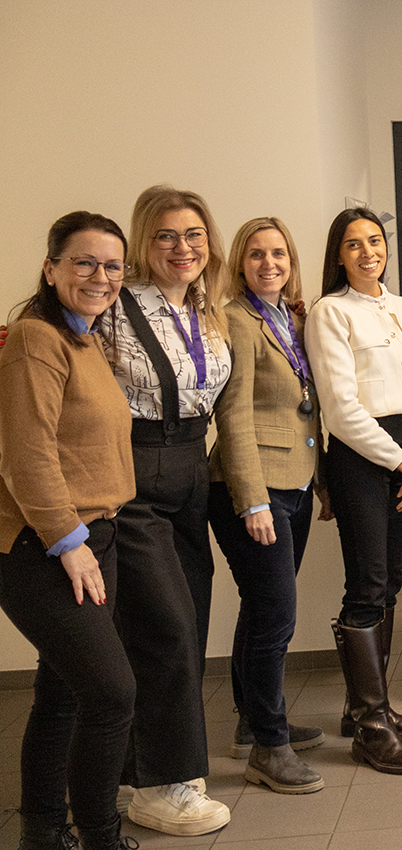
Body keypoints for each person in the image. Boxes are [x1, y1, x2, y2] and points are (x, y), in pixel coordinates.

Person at [0, 212, 137, 850]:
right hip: (45, 545)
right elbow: (26, 455)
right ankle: (100, 836)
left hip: (93, 536)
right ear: (51, 267)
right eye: (84, 262)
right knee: (111, 694)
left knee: (62, 692)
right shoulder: (36, 338)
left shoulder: (85, 339)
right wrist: (69, 543)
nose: (99, 276)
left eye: (112, 266)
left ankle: (44, 833)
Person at [108, 185, 233, 835]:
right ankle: (163, 786)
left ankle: (139, 771)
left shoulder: (208, 309)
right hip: (133, 472)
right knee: (166, 628)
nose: (182, 247)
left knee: (187, 619)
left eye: (193, 234)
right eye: (165, 235)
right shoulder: (115, 306)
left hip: (191, 470)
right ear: (143, 241)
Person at [305, 207, 402, 776]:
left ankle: (368, 706)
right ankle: (370, 726)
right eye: (354, 244)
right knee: (366, 585)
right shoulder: (330, 312)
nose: (368, 252)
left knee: (389, 582)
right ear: (339, 255)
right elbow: (340, 411)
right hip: (363, 459)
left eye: (375, 241)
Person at [207, 217, 327, 794]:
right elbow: (231, 415)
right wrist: (251, 500)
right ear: (240, 263)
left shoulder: (294, 319)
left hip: (296, 482)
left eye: (278, 253)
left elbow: (308, 404)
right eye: (256, 254)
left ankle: (252, 722)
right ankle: (269, 747)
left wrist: (320, 481)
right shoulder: (235, 318)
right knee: (276, 615)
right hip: (253, 489)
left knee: (262, 610)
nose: (269, 263)